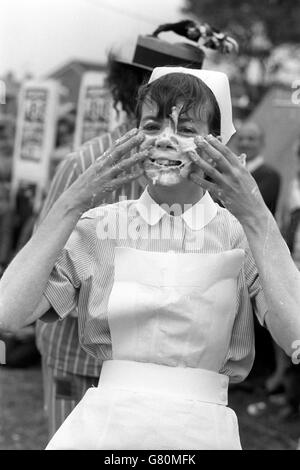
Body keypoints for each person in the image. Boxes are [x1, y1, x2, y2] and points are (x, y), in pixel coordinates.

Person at [1, 67, 300, 450]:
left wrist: (257, 215)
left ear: (218, 143)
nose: (167, 140)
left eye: (187, 129)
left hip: (203, 430)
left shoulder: (242, 235)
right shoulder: (98, 228)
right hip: (106, 428)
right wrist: (73, 202)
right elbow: (8, 313)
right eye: (152, 126)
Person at [34, 26, 208, 438]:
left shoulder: (200, 172)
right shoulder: (85, 163)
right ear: (136, 91)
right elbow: (42, 259)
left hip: (159, 373)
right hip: (79, 362)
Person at [236, 121, 282, 386]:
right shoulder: (227, 173)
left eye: (251, 139)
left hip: (255, 252)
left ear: (261, 143)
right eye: (242, 138)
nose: (245, 143)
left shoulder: (270, 175)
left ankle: (258, 373)